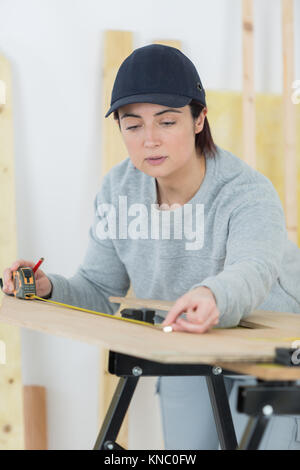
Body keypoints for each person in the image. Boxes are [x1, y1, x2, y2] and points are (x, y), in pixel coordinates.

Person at [2, 44, 300, 449]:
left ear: (199, 120)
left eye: (167, 121)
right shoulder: (118, 189)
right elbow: (99, 289)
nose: (150, 140)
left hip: (271, 348)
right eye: (134, 125)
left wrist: (212, 294)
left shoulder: (246, 191)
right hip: (186, 345)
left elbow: (253, 270)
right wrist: (47, 287)